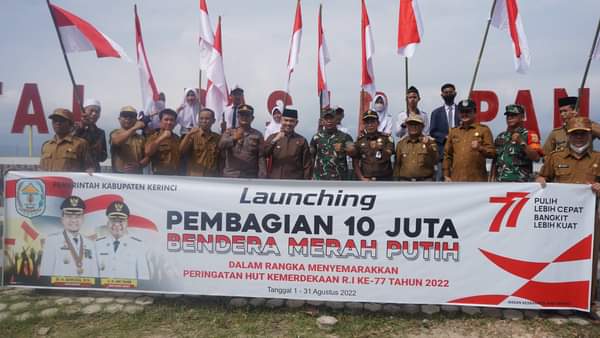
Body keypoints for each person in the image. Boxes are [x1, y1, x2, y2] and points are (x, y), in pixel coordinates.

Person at [537, 117, 600, 194]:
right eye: (574, 134)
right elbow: (542, 177)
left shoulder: (598, 158)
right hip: (562, 204)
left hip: (590, 205)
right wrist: (540, 180)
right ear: (568, 135)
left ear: (590, 134)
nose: (579, 137)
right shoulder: (555, 157)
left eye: (583, 133)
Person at [40, 196, 98, 278]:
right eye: (69, 216)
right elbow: (45, 274)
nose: (73, 220)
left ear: (83, 219)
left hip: (85, 290)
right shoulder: (51, 241)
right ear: (62, 219)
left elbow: (95, 275)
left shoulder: (90, 244)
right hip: (60, 290)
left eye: (77, 216)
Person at [443, 99, 496, 182]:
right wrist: (446, 175)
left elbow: (492, 153)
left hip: (477, 179)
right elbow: (447, 155)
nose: (465, 114)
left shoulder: (484, 130)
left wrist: (480, 148)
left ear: (474, 112)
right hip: (457, 178)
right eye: (462, 112)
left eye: (468, 111)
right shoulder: (453, 132)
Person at [96, 201, 150, 280]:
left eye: (121, 221)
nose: (117, 224)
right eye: (113, 220)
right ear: (107, 223)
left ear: (127, 223)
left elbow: (144, 277)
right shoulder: (97, 244)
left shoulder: (138, 245)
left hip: (129, 291)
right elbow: (93, 273)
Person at [491, 104, 542, 182]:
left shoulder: (529, 134)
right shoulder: (500, 136)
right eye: (508, 115)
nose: (509, 118)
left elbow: (536, 158)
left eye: (513, 115)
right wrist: (492, 177)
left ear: (522, 117)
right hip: (500, 182)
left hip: (520, 182)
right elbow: (495, 160)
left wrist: (521, 142)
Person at [219, 104, 267, 178]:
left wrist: (262, 174)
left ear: (252, 118)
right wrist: (234, 138)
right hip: (231, 174)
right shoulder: (229, 132)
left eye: (247, 115)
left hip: (250, 176)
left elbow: (261, 156)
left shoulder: (258, 135)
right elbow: (221, 145)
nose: (244, 117)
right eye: (242, 115)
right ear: (238, 117)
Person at [264, 108, 312, 179]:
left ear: (296, 123)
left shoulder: (302, 140)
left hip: (295, 182)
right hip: (275, 180)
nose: (288, 123)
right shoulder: (273, 137)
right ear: (281, 120)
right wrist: (275, 140)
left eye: (291, 121)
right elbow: (264, 154)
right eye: (286, 120)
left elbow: (307, 164)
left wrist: (305, 183)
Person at [310, 108, 355, 180]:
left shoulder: (345, 137)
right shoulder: (316, 137)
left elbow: (353, 153)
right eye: (326, 119)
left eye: (331, 118)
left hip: (340, 179)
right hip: (320, 179)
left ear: (336, 120)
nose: (329, 121)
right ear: (322, 121)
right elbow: (311, 158)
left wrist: (344, 149)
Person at [394, 114, 438, 181]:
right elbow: (397, 165)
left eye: (416, 124)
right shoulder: (401, 144)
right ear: (407, 126)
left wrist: (428, 146)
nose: (413, 127)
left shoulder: (430, 142)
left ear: (422, 126)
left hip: (425, 182)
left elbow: (435, 160)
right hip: (405, 182)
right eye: (410, 124)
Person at [429, 83, 460, 180]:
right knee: (441, 179)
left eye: (450, 92)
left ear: (455, 93)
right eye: (446, 92)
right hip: (442, 152)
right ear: (442, 95)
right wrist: (444, 137)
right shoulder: (436, 113)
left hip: (459, 151)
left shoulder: (462, 111)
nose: (448, 94)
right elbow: (433, 131)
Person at [353, 110, 394, 181]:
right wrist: (361, 177)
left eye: (372, 122)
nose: (370, 125)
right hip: (366, 180)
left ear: (378, 123)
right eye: (367, 123)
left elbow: (389, 154)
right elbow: (355, 162)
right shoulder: (360, 140)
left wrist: (381, 148)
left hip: (385, 180)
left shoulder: (387, 138)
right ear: (364, 124)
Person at [179, 108, 221, 176]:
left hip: (212, 176)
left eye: (207, 118)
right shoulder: (192, 136)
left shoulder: (217, 138)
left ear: (213, 121)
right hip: (195, 176)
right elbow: (181, 151)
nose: (204, 121)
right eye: (201, 118)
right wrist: (188, 134)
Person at [109, 106, 148, 174]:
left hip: (137, 175)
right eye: (125, 116)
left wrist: (139, 165)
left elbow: (147, 157)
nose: (128, 118)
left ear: (136, 120)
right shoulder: (115, 133)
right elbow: (117, 141)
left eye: (132, 116)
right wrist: (135, 128)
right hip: (119, 176)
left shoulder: (141, 138)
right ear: (119, 119)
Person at [74, 98, 108, 172]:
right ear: (84, 111)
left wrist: (98, 151)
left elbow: (103, 157)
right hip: (75, 171)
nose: (94, 114)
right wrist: (82, 126)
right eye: (91, 110)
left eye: (97, 112)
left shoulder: (101, 133)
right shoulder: (73, 127)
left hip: (94, 172)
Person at [144, 109, 180, 175]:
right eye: (166, 120)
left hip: (175, 175)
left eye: (172, 120)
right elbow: (148, 152)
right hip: (159, 175)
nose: (169, 122)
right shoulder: (153, 137)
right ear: (160, 122)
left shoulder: (177, 138)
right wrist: (162, 137)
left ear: (175, 123)